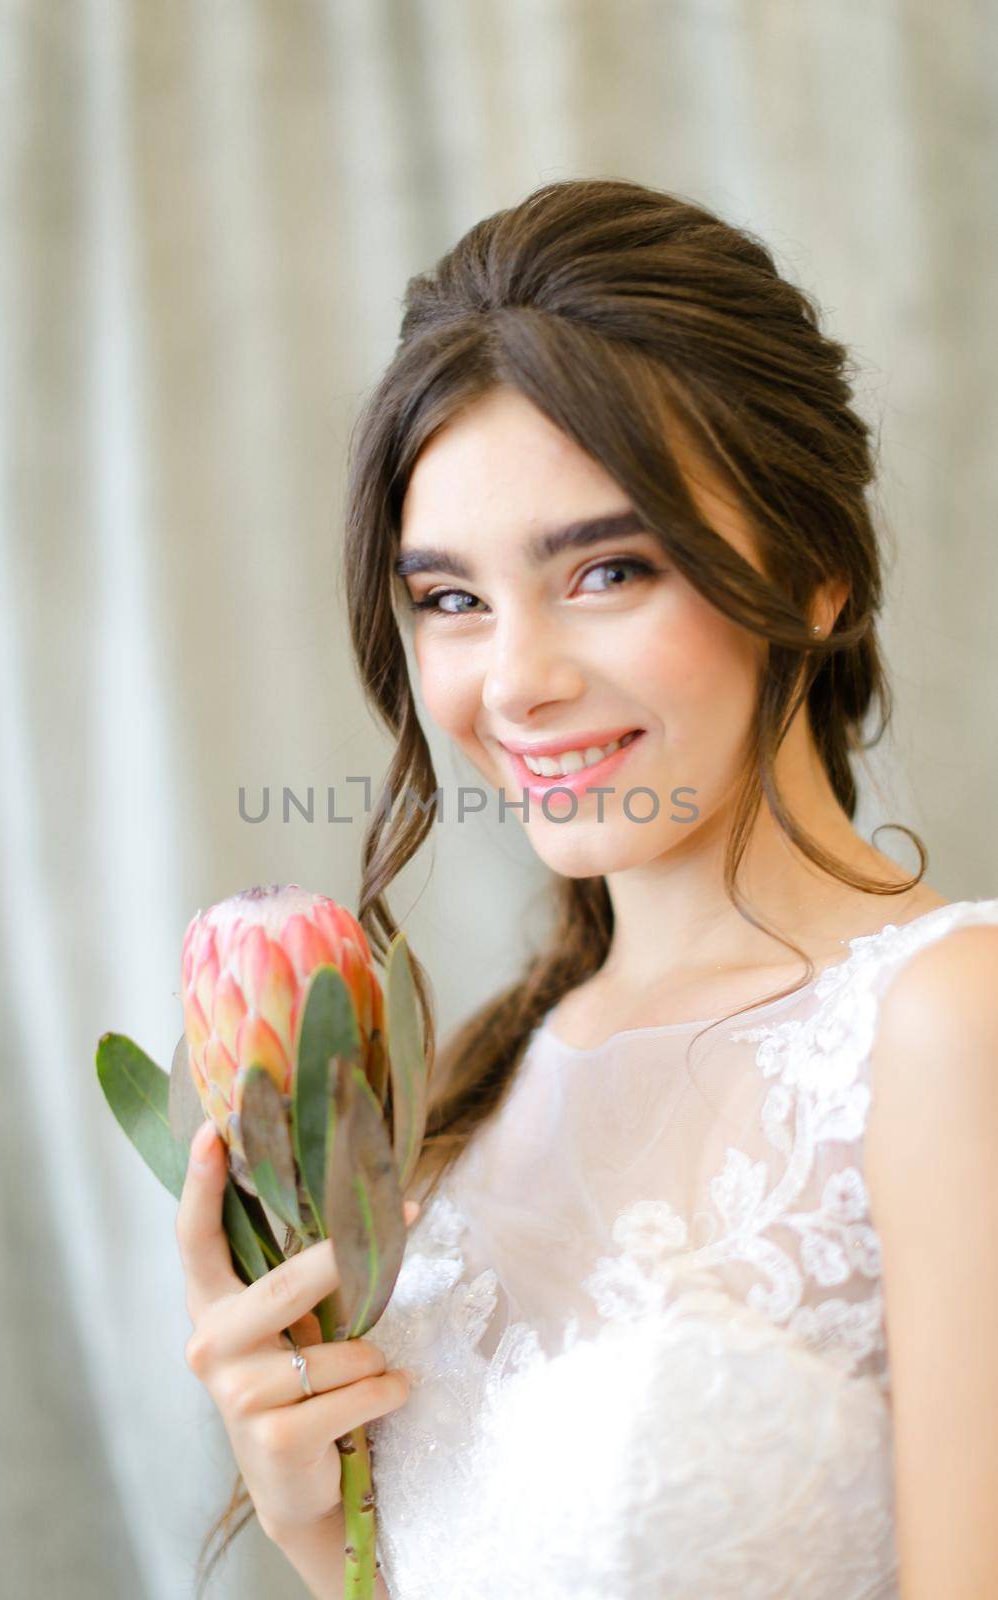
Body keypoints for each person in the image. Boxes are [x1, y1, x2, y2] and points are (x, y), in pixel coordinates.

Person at [177, 178, 998, 1598]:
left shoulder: (944, 1031)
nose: (517, 681)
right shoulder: (469, 1095)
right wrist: (318, 1521)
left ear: (812, 569)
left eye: (608, 569)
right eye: (449, 598)